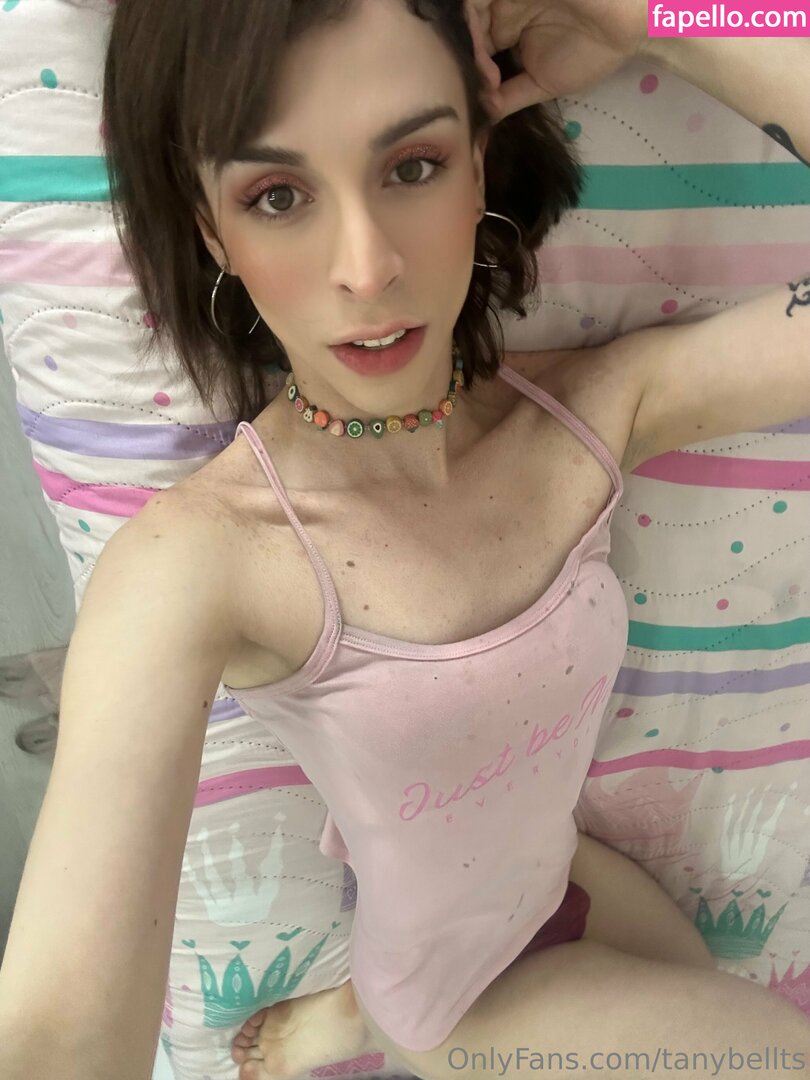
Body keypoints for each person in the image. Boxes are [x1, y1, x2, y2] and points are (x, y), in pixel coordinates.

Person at [0, 1, 808, 1078]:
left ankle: (347, 1018)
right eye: (277, 196)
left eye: (413, 166)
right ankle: (371, 1017)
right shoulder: (202, 561)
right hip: (452, 999)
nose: (367, 267)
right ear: (212, 231)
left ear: (478, 166)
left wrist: (652, 14)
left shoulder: (589, 413)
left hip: (588, 890)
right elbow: (56, 1033)